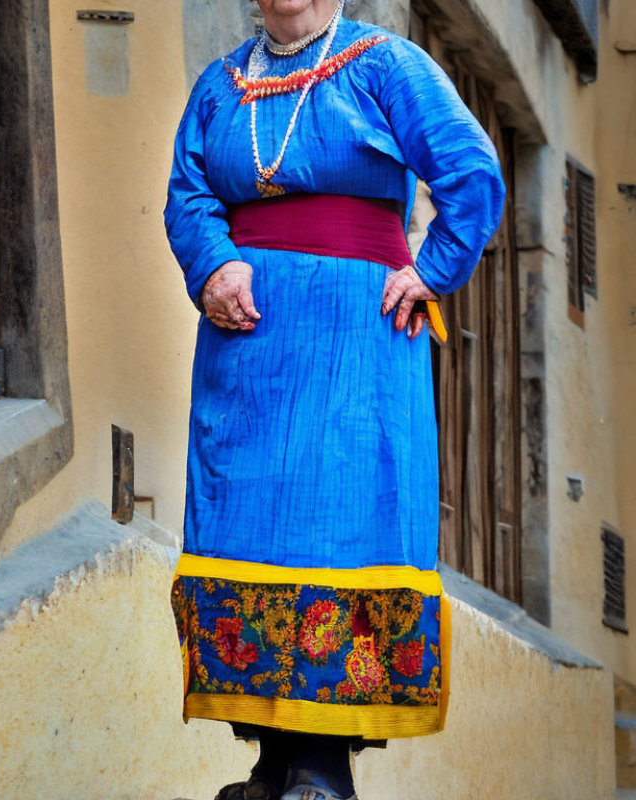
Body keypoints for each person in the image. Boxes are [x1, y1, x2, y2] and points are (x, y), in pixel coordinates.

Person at [164, 1, 505, 798]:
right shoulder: (219, 87)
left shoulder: (387, 64)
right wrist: (213, 265)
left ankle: (322, 767)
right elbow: (187, 193)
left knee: (336, 533)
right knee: (251, 532)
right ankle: (274, 761)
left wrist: (434, 266)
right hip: (246, 352)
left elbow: (471, 167)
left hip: (355, 346)